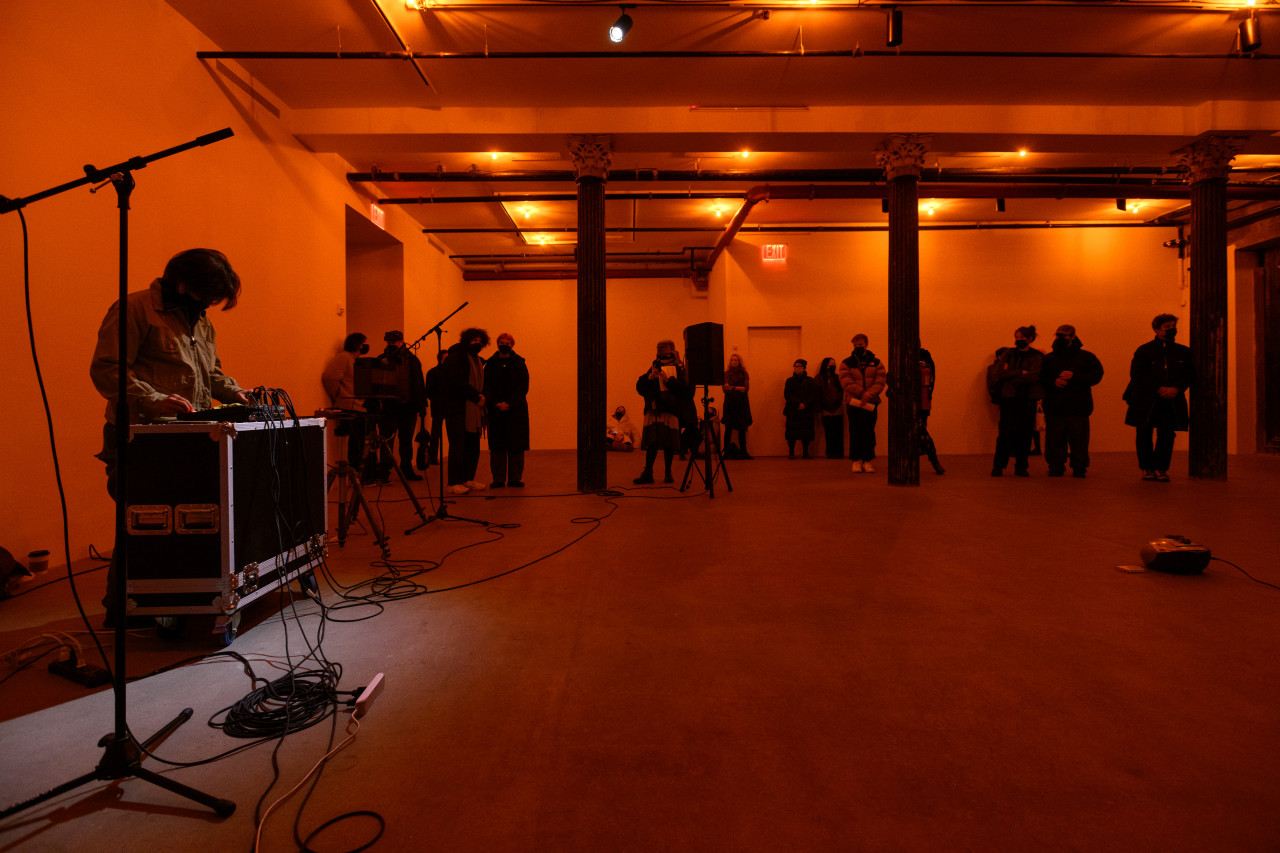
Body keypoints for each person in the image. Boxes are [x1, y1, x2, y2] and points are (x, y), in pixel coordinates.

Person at [89, 248, 254, 627]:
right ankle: (122, 610)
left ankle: (178, 600)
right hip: (139, 437)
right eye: (208, 295)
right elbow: (106, 370)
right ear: (182, 284)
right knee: (139, 521)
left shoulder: (200, 319)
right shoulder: (133, 310)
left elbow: (210, 373)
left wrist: (235, 392)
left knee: (187, 520)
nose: (211, 303)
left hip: (189, 436)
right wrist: (154, 399)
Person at [1123, 313, 1193, 482]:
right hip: (1146, 400)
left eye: (1172, 326)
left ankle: (1161, 468)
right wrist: (1159, 387)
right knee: (1144, 433)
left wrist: (1177, 388)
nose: (1171, 329)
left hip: (1171, 401)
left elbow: (1189, 374)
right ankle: (1147, 467)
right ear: (1156, 330)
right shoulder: (1144, 350)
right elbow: (1137, 374)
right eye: (1167, 327)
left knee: (1167, 434)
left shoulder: (1183, 351)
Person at [1040, 324, 1104, 478]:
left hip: (1079, 406)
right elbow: (1040, 378)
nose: (1061, 338)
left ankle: (1079, 467)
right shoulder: (1048, 358)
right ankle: (1056, 466)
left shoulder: (1087, 357)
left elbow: (1097, 376)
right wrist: (1053, 382)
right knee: (1054, 440)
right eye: (1059, 335)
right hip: (1055, 406)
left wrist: (1075, 376)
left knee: (1079, 440)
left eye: (1065, 335)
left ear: (1073, 336)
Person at [988, 325, 1043, 477]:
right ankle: (999, 466)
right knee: (1005, 433)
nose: (1018, 340)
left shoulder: (1037, 356)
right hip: (1009, 399)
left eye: (1022, 338)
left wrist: (1009, 374)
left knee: (1024, 434)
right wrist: (1020, 372)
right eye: (1016, 337)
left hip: (1027, 399)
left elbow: (1033, 376)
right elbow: (998, 373)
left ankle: (1021, 466)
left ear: (1030, 339)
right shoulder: (1009, 353)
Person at [442, 327, 491, 495]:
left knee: (472, 446)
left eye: (479, 341)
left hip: (474, 410)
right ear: (466, 340)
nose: (477, 343)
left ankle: (468, 478)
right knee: (458, 447)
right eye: (473, 340)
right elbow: (456, 382)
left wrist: (482, 396)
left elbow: (481, 383)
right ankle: (454, 482)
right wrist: (476, 396)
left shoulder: (477, 360)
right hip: (457, 409)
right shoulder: (455, 357)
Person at [634, 340, 688, 484]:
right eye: (659, 351)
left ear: (671, 351)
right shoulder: (654, 366)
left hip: (669, 409)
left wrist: (669, 380)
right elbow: (640, 388)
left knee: (669, 442)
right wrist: (648, 377)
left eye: (663, 350)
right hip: (654, 408)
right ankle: (648, 472)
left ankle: (668, 473)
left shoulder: (678, 368)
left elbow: (685, 391)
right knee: (651, 441)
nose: (660, 353)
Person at [376, 331, 426, 482]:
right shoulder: (382, 360)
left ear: (402, 341)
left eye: (395, 342)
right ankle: (384, 471)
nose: (392, 345)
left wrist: (421, 405)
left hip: (408, 407)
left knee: (406, 441)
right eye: (389, 342)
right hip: (389, 407)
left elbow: (418, 383)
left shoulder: (412, 360)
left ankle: (407, 468)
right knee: (386, 441)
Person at [483, 332, 530, 488]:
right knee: (497, 446)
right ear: (497, 344)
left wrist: (510, 403)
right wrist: (496, 403)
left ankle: (515, 478)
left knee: (516, 445)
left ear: (512, 345)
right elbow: (486, 386)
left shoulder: (519, 363)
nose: (504, 345)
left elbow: (523, 387)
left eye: (507, 343)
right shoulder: (490, 364)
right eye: (502, 342)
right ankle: (498, 479)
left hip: (516, 411)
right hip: (496, 411)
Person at [838, 334, 887, 473]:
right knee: (855, 431)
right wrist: (861, 393)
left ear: (866, 344)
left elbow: (880, 380)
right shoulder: (846, 363)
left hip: (871, 403)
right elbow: (845, 381)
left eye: (860, 345)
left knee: (869, 432)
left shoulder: (877, 362)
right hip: (853, 403)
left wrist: (869, 394)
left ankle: (868, 460)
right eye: (855, 345)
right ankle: (855, 460)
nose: (858, 347)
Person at [322, 332, 369, 471]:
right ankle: (353, 470)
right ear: (357, 345)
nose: (365, 346)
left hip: (359, 406)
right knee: (355, 442)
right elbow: (330, 377)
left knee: (360, 440)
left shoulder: (355, 360)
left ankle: (358, 469)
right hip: (349, 406)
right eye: (363, 343)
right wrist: (338, 395)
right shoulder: (344, 358)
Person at [783, 359, 819, 459]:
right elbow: (787, 394)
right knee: (791, 433)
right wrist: (797, 403)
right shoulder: (789, 381)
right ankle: (791, 452)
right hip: (793, 410)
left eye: (799, 367)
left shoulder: (810, 381)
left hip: (806, 410)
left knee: (806, 433)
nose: (797, 369)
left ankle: (805, 452)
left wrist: (805, 404)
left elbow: (813, 394)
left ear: (803, 368)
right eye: (795, 367)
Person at [720, 354, 753, 459]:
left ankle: (744, 452)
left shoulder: (744, 373)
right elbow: (725, 389)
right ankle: (726, 453)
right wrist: (738, 388)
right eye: (732, 360)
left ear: (740, 361)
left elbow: (746, 388)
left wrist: (732, 387)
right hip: (730, 403)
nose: (734, 362)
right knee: (728, 428)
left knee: (742, 428)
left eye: (736, 360)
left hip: (741, 403)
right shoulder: (726, 374)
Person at [919, 347, 944, 475]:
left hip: (921, 402)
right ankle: (934, 461)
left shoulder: (925, 359)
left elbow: (930, 381)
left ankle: (934, 461)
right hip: (911, 403)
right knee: (920, 432)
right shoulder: (903, 356)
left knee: (921, 431)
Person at [815, 357, 845, 459]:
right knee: (829, 432)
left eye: (833, 364)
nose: (832, 366)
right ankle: (830, 452)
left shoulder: (838, 377)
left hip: (837, 407)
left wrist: (838, 398)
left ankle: (839, 453)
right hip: (825, 408)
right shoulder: (818, 378)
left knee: (838, 431)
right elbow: (817, 395)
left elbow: (842, 391)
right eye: (830, 364)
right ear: (825, 365)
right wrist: (818, 409)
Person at [423, 349, 448, 467]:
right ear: (440, 359)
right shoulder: (433, 372)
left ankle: (434, 457)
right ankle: (433, 457)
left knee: (438, 432)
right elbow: (428, 391)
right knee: (436, 433)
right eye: (445, 358)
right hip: (438, 406)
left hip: (447, 406)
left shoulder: (451, 373)